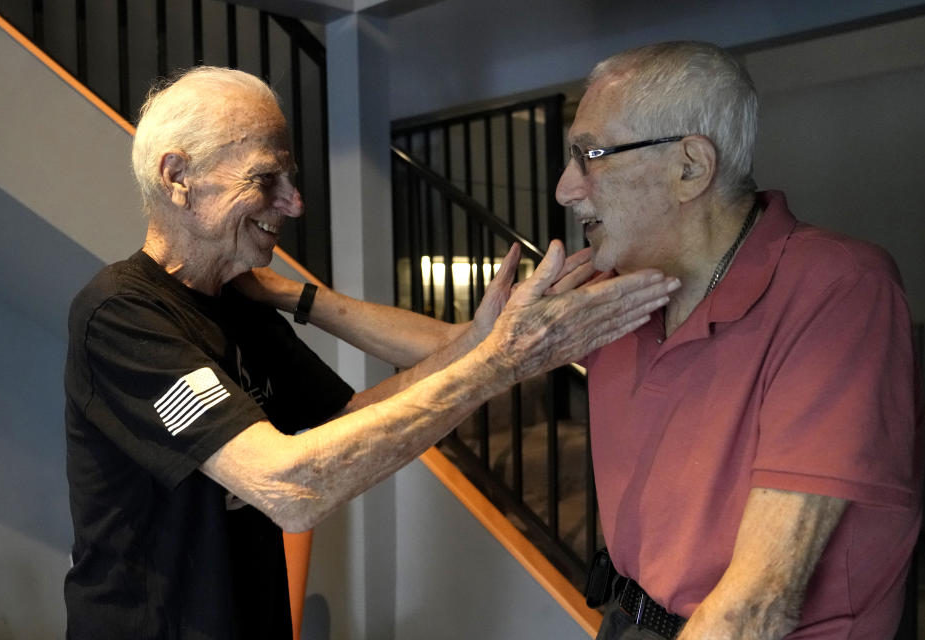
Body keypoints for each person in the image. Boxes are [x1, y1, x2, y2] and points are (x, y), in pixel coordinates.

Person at [62, 66, 681, 639]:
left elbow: (345, 419)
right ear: (178, 179)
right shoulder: (120, 313)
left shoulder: (238, 301)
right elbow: (284, 484)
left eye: (291, 178)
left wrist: (485, 346)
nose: (294, 202)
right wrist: (497, 364)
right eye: (266, 178)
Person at [553, 42, 921, 639]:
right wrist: (339, 311)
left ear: (691, 167)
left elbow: (757, 606)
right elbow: (465, 352)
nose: (566, 189)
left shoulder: (841, 287)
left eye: (590, 155)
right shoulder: (622, 289)